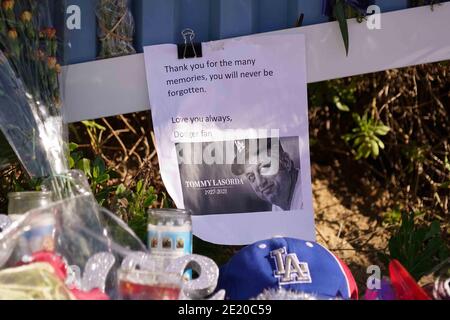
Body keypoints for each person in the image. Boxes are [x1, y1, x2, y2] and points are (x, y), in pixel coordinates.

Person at [231, 138, 302, 211]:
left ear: (286, 162)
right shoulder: (278, 205)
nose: (260, 183)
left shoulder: (307, 196)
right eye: (251, 176)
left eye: (264, 167)